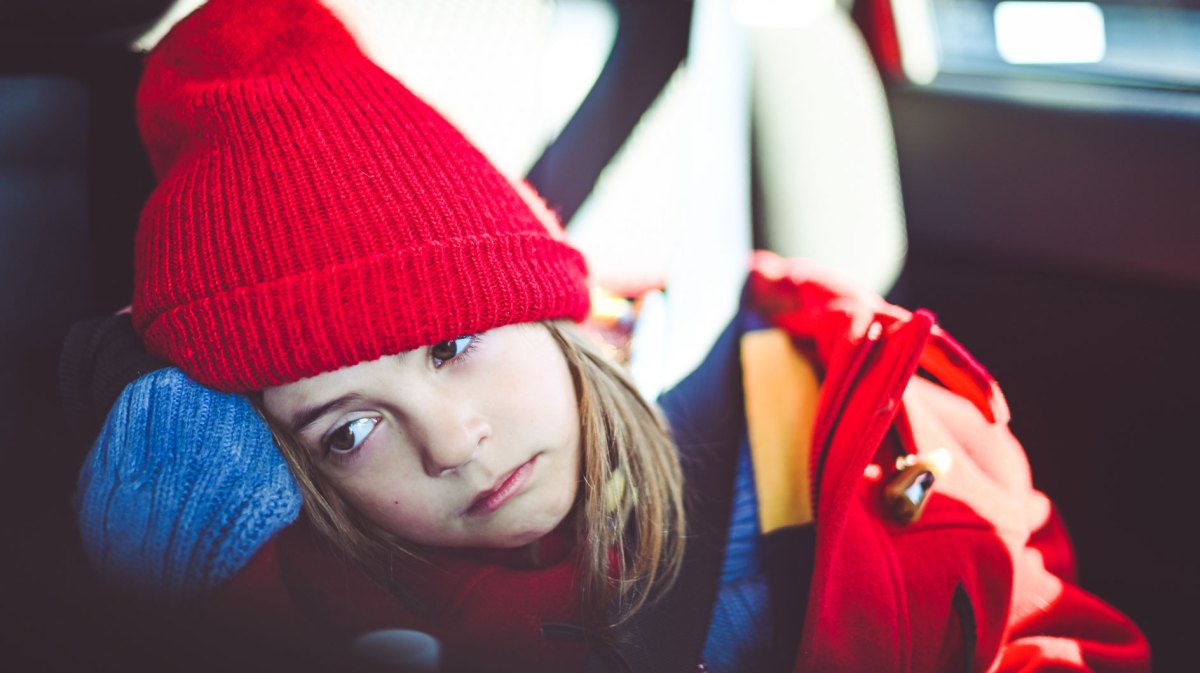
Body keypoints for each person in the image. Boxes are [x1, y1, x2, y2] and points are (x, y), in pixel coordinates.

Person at [70, 0, 1150, 671]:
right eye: (349, 433)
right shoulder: (313, 594)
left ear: (550, 306)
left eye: (454, 345)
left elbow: (1042, 633)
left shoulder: (859, 423)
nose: (452, 443)